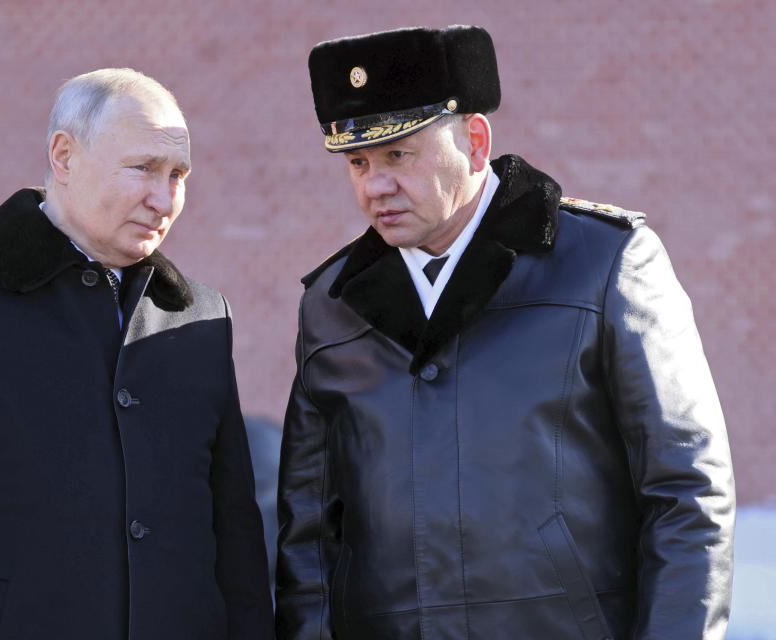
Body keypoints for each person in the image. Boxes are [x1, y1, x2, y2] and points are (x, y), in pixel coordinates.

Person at [275, 25, 735, 640]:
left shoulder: (605, 264)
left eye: (398, 155)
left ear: (474, 140)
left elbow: (687, 492)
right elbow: (307, 535)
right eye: (357, 162)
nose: (374, 186)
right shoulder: (330, 306)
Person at [0, 68, 274, 640]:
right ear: (64, 157)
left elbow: (235, 541)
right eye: (143, 168)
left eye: (178, 174)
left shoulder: (200, 315)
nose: (163, 198)